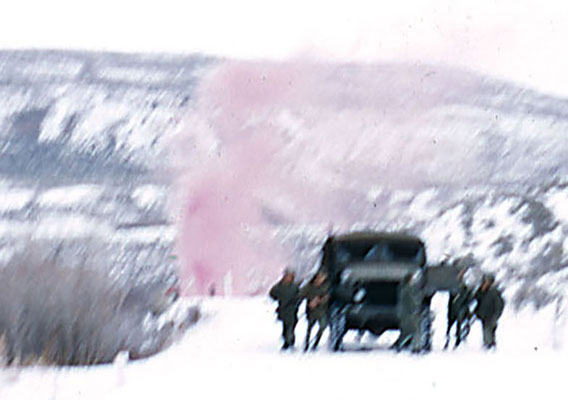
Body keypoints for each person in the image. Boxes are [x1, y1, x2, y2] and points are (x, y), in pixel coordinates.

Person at [269, 269, 301, 350]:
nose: (288, 278)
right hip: (283, 310)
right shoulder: (279, 286)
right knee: (285, 327)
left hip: (292, 311)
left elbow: (299, 297)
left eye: (290, 276)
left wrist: (296, 304)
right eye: (287, 276)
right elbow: (272, 294)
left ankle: (290, 341)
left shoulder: (294, 287)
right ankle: (286, 342)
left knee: (291, 327)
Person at [393, 271, 423, 353]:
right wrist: (416, 309)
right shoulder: (408, 290)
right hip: (409, 314)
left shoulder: (403, 289)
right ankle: (416, 347)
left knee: (406, 332)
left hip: (404, 314)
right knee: (415, 330)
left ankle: (399, 345)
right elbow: (411, 302)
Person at [300, 270, 330, 351]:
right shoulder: (309, 287)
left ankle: (316, 343)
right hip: (311, 311)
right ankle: (306, 343)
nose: (320, 279)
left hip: (322, 311)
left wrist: (320, 300)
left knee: (322, 326)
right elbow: (301, 294)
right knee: (309, 328)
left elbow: (328, 296)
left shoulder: (326, 287)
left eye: (322, 278)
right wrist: (310, 301)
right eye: (319, 278)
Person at [474, 273, 505, 349]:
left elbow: (499, 305)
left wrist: (496, 315)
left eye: (487, 281)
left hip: (491, 315)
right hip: (483, 315)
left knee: (489, 330)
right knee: (485, 329)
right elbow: (477, 300)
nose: (485, 283)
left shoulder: (494, 292)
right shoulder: (481, 291)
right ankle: (488, 344)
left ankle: (490, 345)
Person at [444, 268, 473, 349]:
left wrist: (464, 308)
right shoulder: (453, 288)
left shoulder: (465, 288)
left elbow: (468, 299)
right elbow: (450, 300)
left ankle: (458, 341)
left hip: (461, 310)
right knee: (449, 327)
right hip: (452, 310)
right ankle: (447, 341)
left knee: (459, 326)